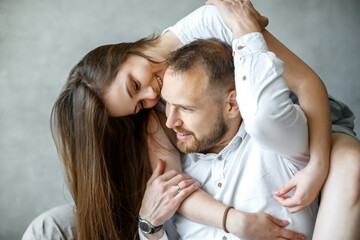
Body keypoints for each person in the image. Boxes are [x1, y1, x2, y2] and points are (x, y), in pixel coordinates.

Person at [23, 0, 360, 239]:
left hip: (311, 118)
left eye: (135, 85)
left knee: (347, 159)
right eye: (139, 105)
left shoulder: (207, 23)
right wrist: (234, 222)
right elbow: (174, 188)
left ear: (122, 53)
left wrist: (317, 167)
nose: (150, 99)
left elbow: (307, 83)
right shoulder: (156, 119)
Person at [139, 6, 318, 238]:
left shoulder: (279, 142)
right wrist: (149, 224)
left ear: (232, 105)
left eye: (185, 108)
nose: (171, 122)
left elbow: (265, 109)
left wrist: (245, 29)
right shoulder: (176, 179)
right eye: (167, 104)